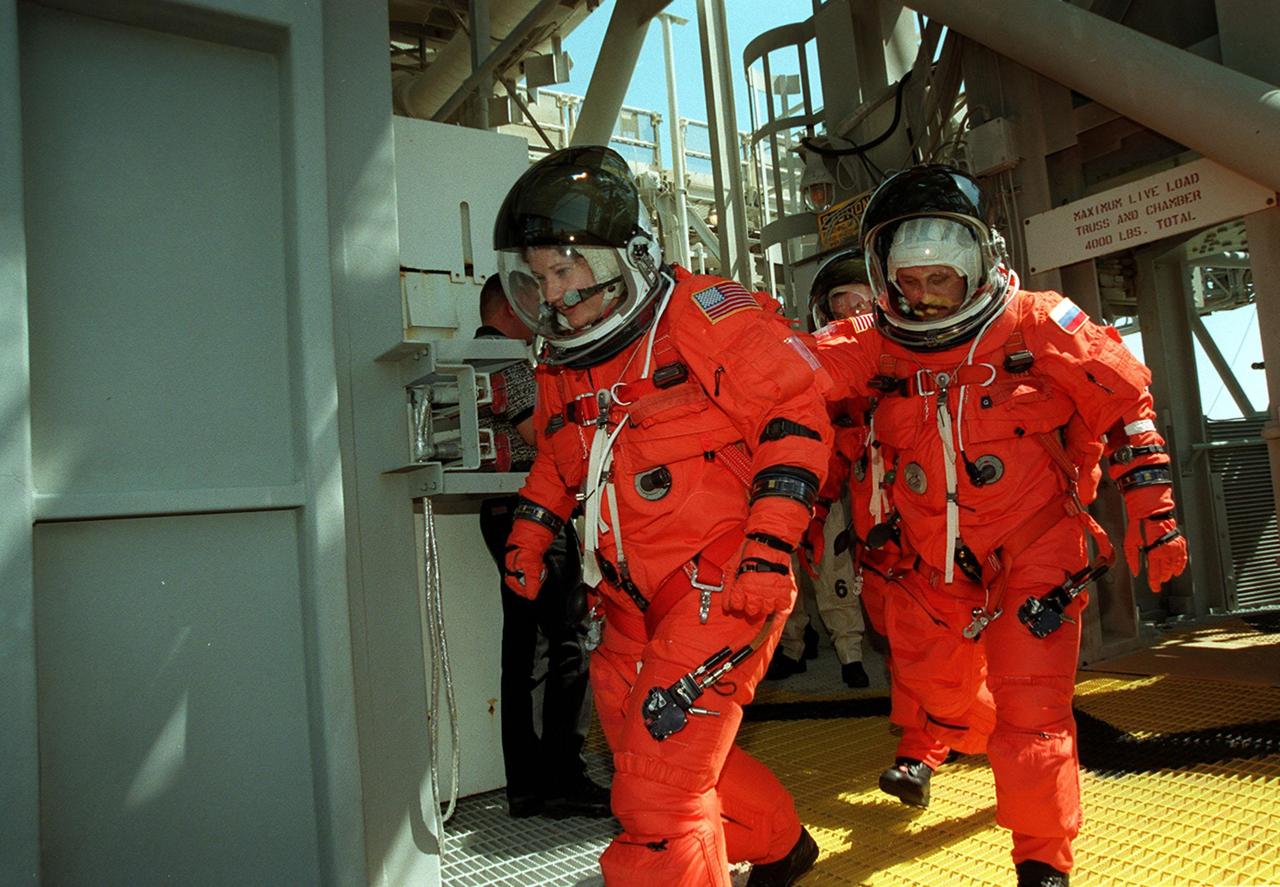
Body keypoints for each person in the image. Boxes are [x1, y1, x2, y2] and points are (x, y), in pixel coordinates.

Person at [815, 164, 1188, 887]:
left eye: (941, 281)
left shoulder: (1039, 321)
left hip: (1038, 550)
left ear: (979, 265)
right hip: (935, 562)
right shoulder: (879, 343)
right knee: (937, 692)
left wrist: (1157, 516)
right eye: (910, 282)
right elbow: (779, 371)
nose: (923, 296)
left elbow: (1125, 406)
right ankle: (993, 739)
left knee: (1032, 710)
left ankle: (1041, 860)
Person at [494, 146, 831, 886]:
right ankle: (780, 844)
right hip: (629, 601)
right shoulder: (566, 359)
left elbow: (794, 418)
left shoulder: (700, 315)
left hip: (721, 584)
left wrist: (770, 548)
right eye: (541, 275)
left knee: (654, 791)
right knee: (651, 757)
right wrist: (531, 527)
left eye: (567, 268)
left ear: (624, 252)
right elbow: (560, 452)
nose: (554, 291)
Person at [474, 274, 610, 820]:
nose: (544, 306)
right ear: (509, 305)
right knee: (566, 642)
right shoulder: (506, 361)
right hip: (535, 515)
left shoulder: (475, 359)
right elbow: (544, 438)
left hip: (500, 514)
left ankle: (527, 785)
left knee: (524, 650)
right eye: (533, 298)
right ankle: (563, 777)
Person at [769, 249, 872, 689]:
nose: (848, 312)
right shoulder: (810, 357)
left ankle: (850, 651)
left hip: (859, 478)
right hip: (812, 474)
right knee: (788, 563)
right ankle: (793, 644)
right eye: (838, 302)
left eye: (857, 301)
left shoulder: (891, 350)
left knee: (835, 565)